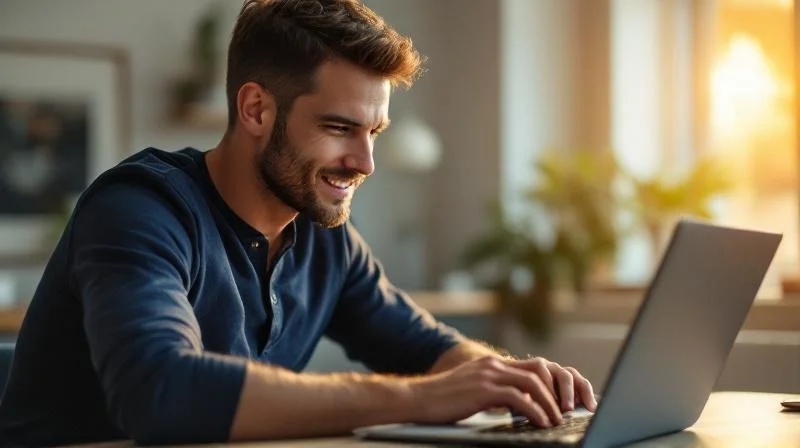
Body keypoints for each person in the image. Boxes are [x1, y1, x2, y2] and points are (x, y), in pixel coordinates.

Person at [0, 0, 597, 445]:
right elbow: (160, 393)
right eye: (340, 128)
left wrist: (508, 378)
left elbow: (425, 346)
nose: (365, 163)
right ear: (256, 108)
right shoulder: (140, 209)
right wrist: (418, 398)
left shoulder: (324, 237)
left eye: (374, 134)